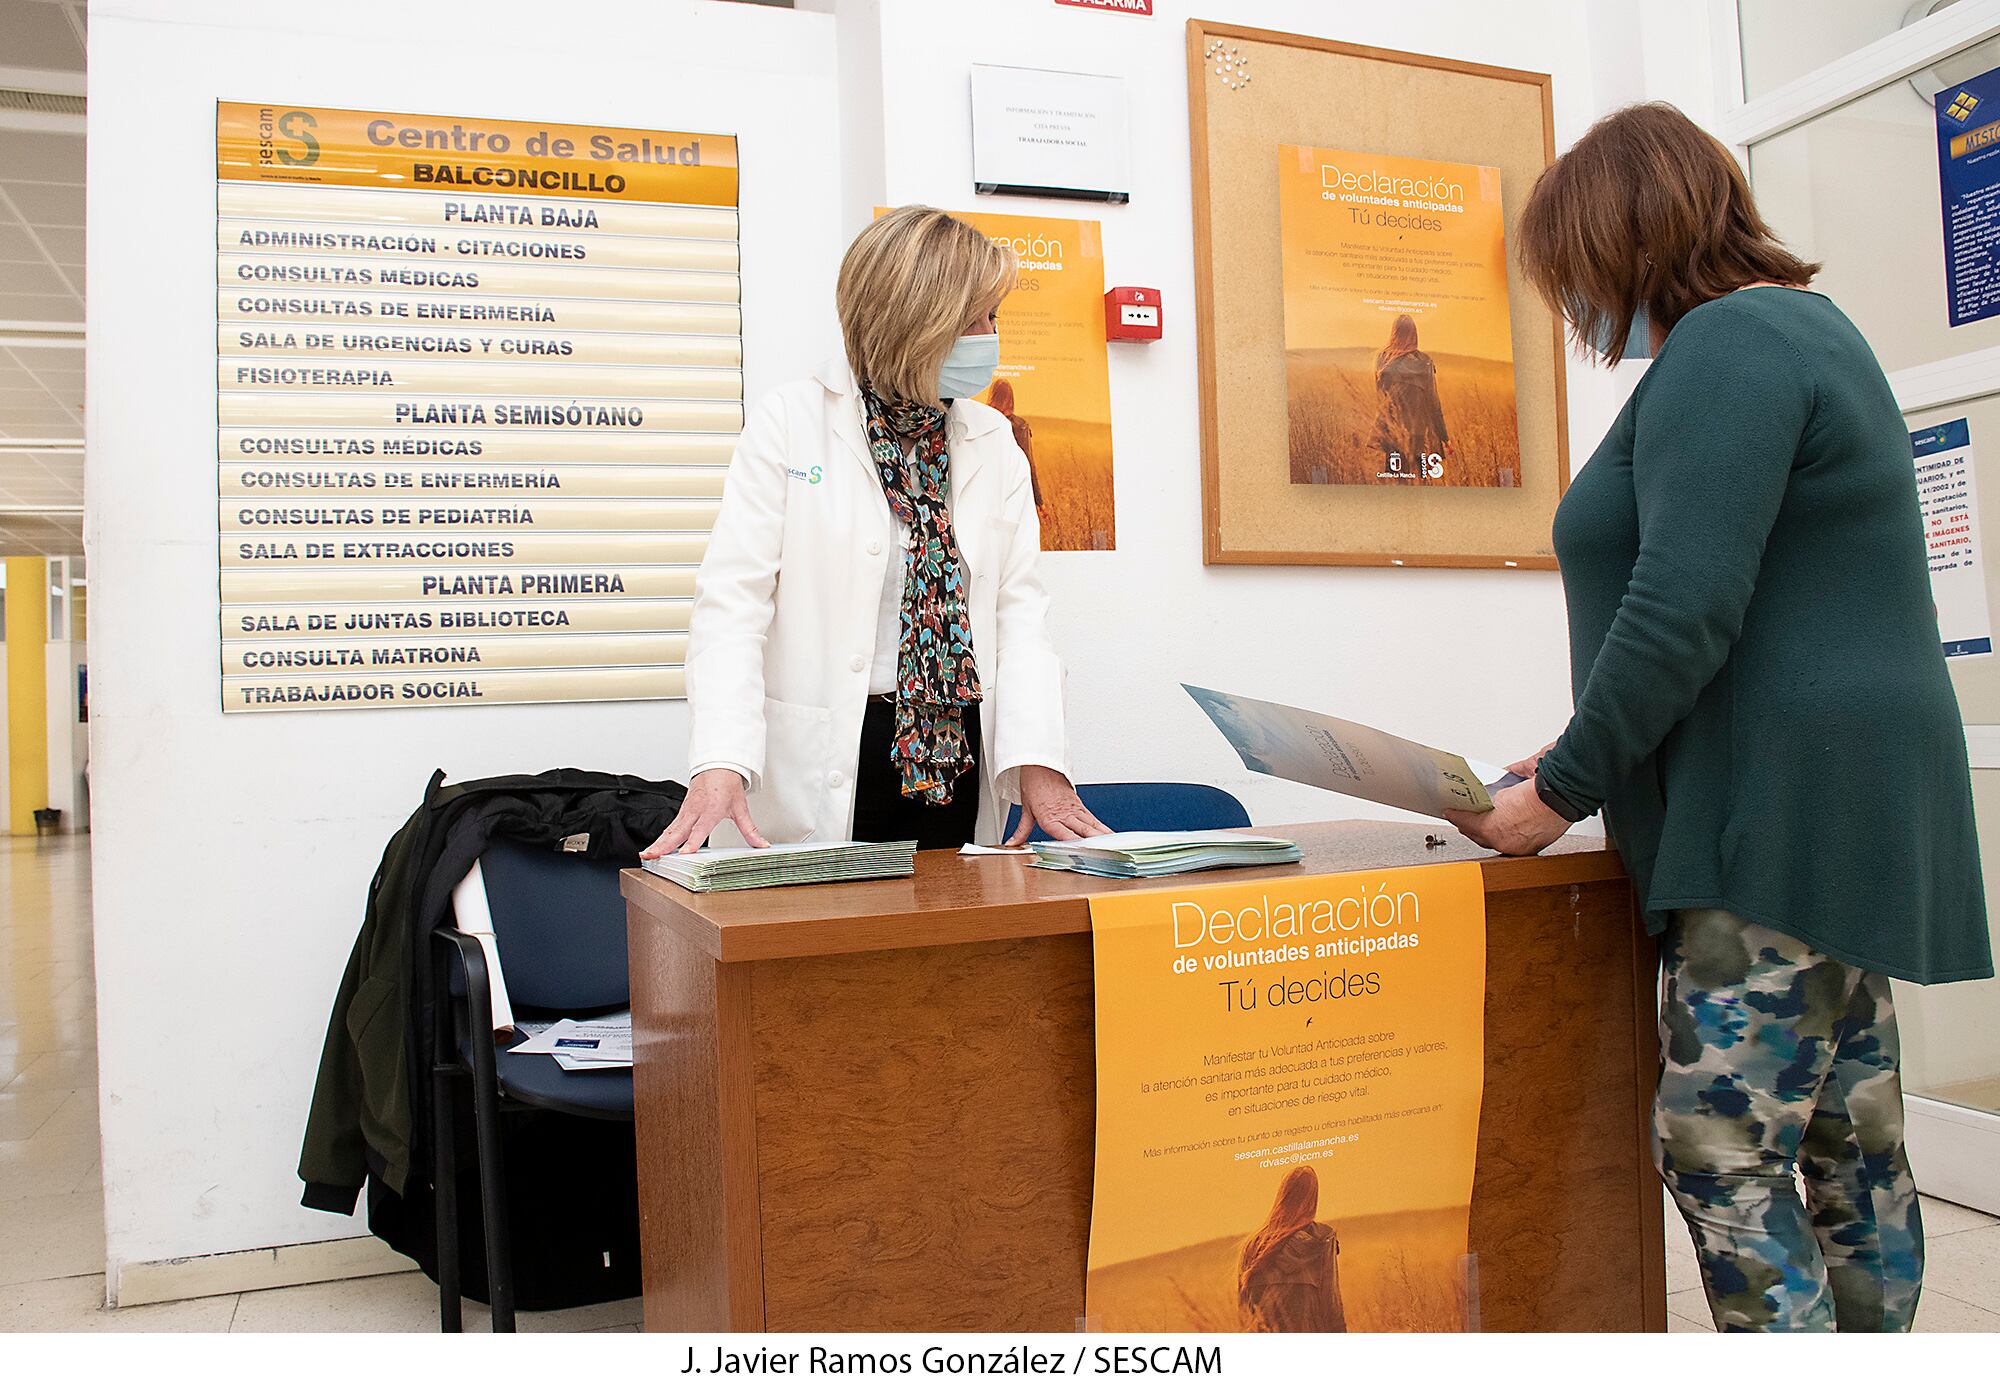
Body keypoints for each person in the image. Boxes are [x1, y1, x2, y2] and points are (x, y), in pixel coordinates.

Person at [1446, 102, 1993, 1332]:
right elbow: (1753, 610)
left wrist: (1558, 789)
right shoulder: (1799, 330)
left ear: (1620, 239)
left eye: (1568, 270)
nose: (1569, 305)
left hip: (1771, 819)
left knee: (1721, 1151)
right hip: (1834, 806)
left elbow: (1683, 601)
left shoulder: (1726, 344)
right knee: (1851, 1142)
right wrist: (1585, 743)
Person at [644, 206, 1108, 857]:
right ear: (918, 322)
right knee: (825, 946)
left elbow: (1019, 612)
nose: (990, 335)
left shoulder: (991, 441)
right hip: (834, 748)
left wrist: (1038, 759)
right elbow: (732, 605)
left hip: (952, 754)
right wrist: (721, 758)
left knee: (955, 941)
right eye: (977, 318)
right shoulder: (792, 423)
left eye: (992, 317)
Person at [1237, 1165, 1344, 1332]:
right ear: (1312, 1199)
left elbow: (1244, 1311)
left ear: (1282, 1195)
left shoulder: (1253, 1244)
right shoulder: (1322, 1239)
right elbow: (1331, 1305)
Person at [1367, 313, 1449, 480]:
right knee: (1420, 481)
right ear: (1414, 334)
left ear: (1394, 333)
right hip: (1418, 433)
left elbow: (1380, 397)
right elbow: (1434, 404)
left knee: (1394, 480)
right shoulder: (1424, 361)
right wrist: (1444, 437)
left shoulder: (1383, 358)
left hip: (1393, 431)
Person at [985, 378, 1045, 517]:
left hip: (987, 489)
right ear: (1011, 398)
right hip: (1013, 490)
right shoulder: (1020, 426)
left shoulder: (984, 421)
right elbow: (1028, 463)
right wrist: (1038, 501)